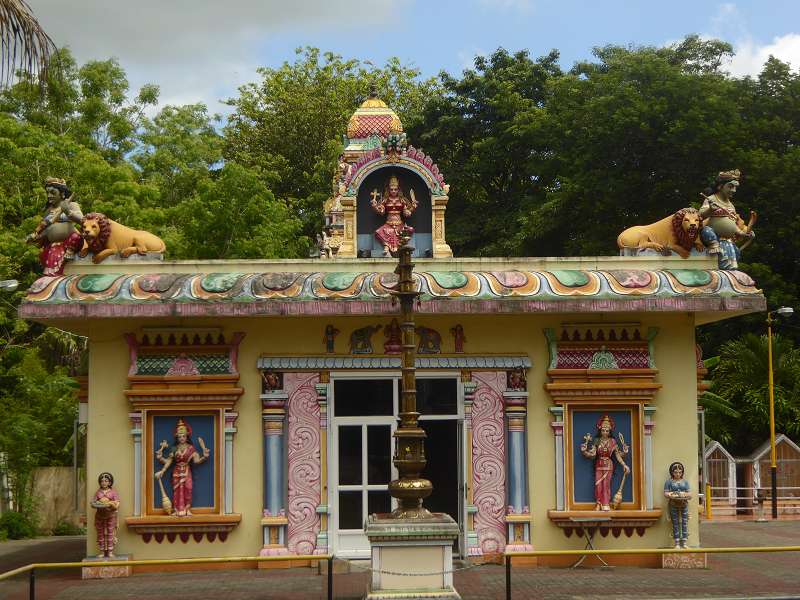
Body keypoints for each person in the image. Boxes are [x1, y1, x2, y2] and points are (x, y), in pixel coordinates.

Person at [26, 177, 84, 275]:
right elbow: (45, 229)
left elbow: (83, 221)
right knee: (48, 253)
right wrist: (35, 236)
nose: (49, 196)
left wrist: (68, 212)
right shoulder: (49, 211)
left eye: (53, 192)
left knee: (74, 239)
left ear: (62, 193)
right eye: (47, 193)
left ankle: (55, 276)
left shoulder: (71, 204)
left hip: (70, 243)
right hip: (52, 245)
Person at [699, 169, 754, 270]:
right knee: (722, 262)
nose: (733, 190)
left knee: (733, 262)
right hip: (715, 239)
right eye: (730, 186)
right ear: (720, 186)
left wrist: (742, 233)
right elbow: (700, 216)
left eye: (735, 187)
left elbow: (733, 225)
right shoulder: (712, 199)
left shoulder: (731, 205)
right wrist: (710, 209)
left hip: (728, 241)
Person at [155, 418, 210, 517]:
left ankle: (187, 509)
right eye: (180, 436)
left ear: (187, 436)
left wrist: (204, 457)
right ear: (177, 437)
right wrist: (162, 464)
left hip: (186, 471)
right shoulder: (174, 448)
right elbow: (169, 461)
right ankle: (177, 510)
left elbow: (197, 461)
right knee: (177, 491)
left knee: (188, 488)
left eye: (183, 436)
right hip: (176, 472)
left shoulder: (191, 448)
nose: (181, 438)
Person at [580, 414, 630, 511]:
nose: (605, 432)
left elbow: (618, 455)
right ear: (600, 430)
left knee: (606, 485)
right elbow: (593, 454)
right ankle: (598, 503)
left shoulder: (613, 441)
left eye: (607, 431)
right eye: (603, 430)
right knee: (598, 485)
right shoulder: (597, 441)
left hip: (609, 465)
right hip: (599, 464)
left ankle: (606, 503)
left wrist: (624, 464)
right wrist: (584, 451)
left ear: (610, 431)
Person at [370, 175, 417, 256]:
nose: (393, 191)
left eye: (395, 189)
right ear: (388, 190)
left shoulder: (402, 200)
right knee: (378, 232)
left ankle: (401, 247)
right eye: (391, 189)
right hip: (388, 224)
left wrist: (413, 208)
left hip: (400, 224)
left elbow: (406, 214)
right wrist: (374, 207)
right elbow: (381, 212)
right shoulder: (385, 200)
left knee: (410, 230)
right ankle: (386, 247)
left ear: (398, 190)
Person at [92, 472, 120, 558]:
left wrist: (110, 503)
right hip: (100, 515)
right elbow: (93, 503)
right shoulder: (98, 492)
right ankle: (102, 551)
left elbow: (117, 504)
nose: (104, 482)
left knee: (110, 533)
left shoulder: (113, 492)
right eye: (102, 481)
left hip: (110, 515)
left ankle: (110, 551)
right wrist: (98, 503)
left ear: (110, 482)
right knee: (100, 533)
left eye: (106, 481)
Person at [664, 461, 691, 548]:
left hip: (684, 503)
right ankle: (677, 543)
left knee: (684, 522)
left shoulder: (685, 482)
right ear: (672, 472)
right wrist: (671, 495)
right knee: (675, 522)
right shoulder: (669, 482)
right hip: (673, 503)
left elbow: (689, 494)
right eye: (675, 472)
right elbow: (666, 493)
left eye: (680, 472)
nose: (678, 474)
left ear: (682, 472)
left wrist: (685, 495)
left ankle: (684, 542)